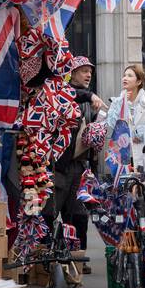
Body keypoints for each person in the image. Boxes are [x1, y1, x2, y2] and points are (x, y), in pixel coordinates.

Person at [43, 55, 100, 250]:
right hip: (59, 166)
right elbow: (71, 94)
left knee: (78, 215)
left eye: (90, 72)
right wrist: (90, 95)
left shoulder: (89, 100)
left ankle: (78, 257)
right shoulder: (65, 93)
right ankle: (44, 257)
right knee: (49, 212)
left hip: (80, 167)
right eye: (84, 71)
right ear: (73, 73)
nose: (88, 75)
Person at [97, 63, 145, 177]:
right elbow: (112, 124)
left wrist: (139, 134)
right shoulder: (117, 101)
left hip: (144, 154)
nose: (125, 78)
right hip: (122, 155)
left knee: (143, 190)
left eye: (129, 75)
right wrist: (121, 103)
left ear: (139, 81)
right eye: (124, 75)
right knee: (124, 189)